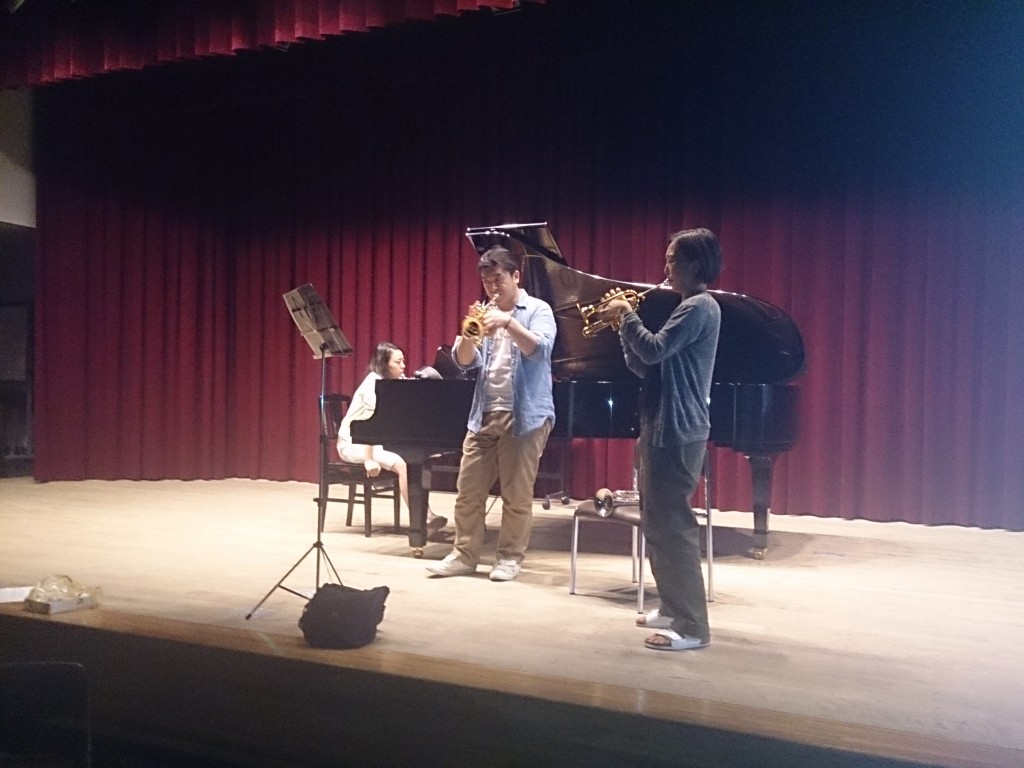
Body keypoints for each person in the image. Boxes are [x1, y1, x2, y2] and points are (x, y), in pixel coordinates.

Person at [600, 228, 723, 651]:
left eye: (672, 259)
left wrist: (626, 315)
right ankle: (673, 608)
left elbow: (653, 348)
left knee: (674, 529)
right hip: (661, 426)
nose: (665, 266)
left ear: (694, 264)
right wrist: (621, 327)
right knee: (657, 526)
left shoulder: (699, 307)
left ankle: (692, 627)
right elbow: (645, 366)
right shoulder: (686, 307)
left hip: (678, 431)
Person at [426, 245, 556, 581]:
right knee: (468, 491)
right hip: (483, 413)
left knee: (516, 495)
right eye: (486, 282)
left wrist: (508, 322)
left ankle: (510, 558)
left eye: (498, 279)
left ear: (516, 276)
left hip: (525, 415)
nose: (492, 288)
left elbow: (540, 350)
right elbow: (464, 361)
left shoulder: (537, 309)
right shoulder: (485, 313)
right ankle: (463, 555)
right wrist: (471, 334)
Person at [338, 341, 447, 534]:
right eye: (398, 362)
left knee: (414, 460)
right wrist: (369, 459)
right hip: (355, 443)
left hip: (375, 442)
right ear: (384, 364)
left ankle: (424, 514)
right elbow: (369, 424)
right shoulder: (373, 383)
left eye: (403, 361)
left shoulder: (388, 383)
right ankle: (423, 518)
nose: (403, 366)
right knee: (403, 464)